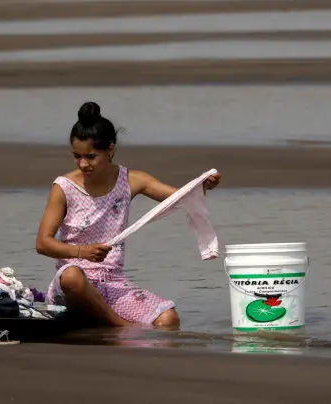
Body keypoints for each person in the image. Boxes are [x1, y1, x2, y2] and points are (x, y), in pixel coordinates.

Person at [35, 101, 221, 329]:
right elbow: (43, 243)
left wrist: (204, 186)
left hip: (113, 284)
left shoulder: (131, 180)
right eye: (77, 156)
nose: (83, 164)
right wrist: (83, 252)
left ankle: (108, 321)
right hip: (71, 287)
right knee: (73, 276)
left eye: (91, 157)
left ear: (110, 150)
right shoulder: (64, 187)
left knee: (168, 320)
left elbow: (179, 196)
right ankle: (120, 327)